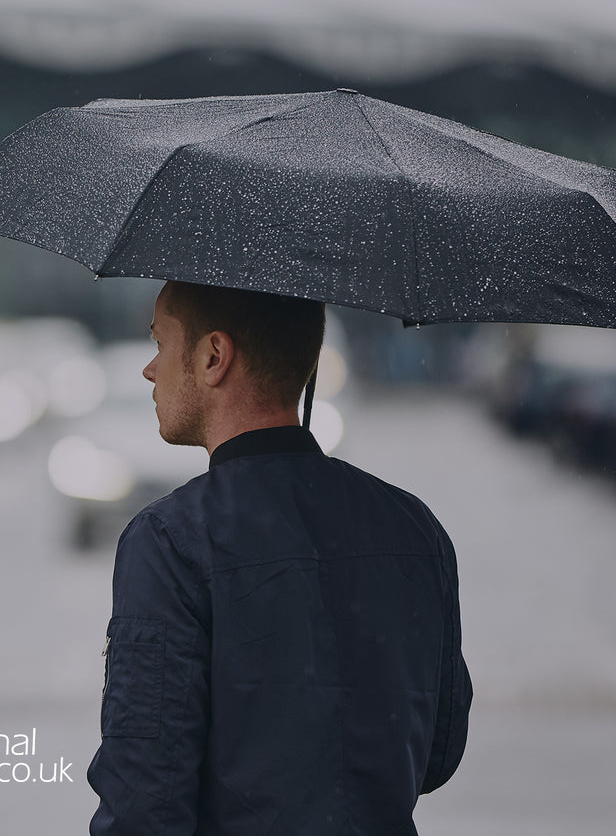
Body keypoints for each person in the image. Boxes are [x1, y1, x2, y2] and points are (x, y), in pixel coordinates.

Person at [87, 280, 471, 836]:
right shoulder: (414, 529)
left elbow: (145, 800)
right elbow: (437, 755)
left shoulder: (170, 540)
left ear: (214, 356)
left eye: (160, 343)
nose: (150, 370)